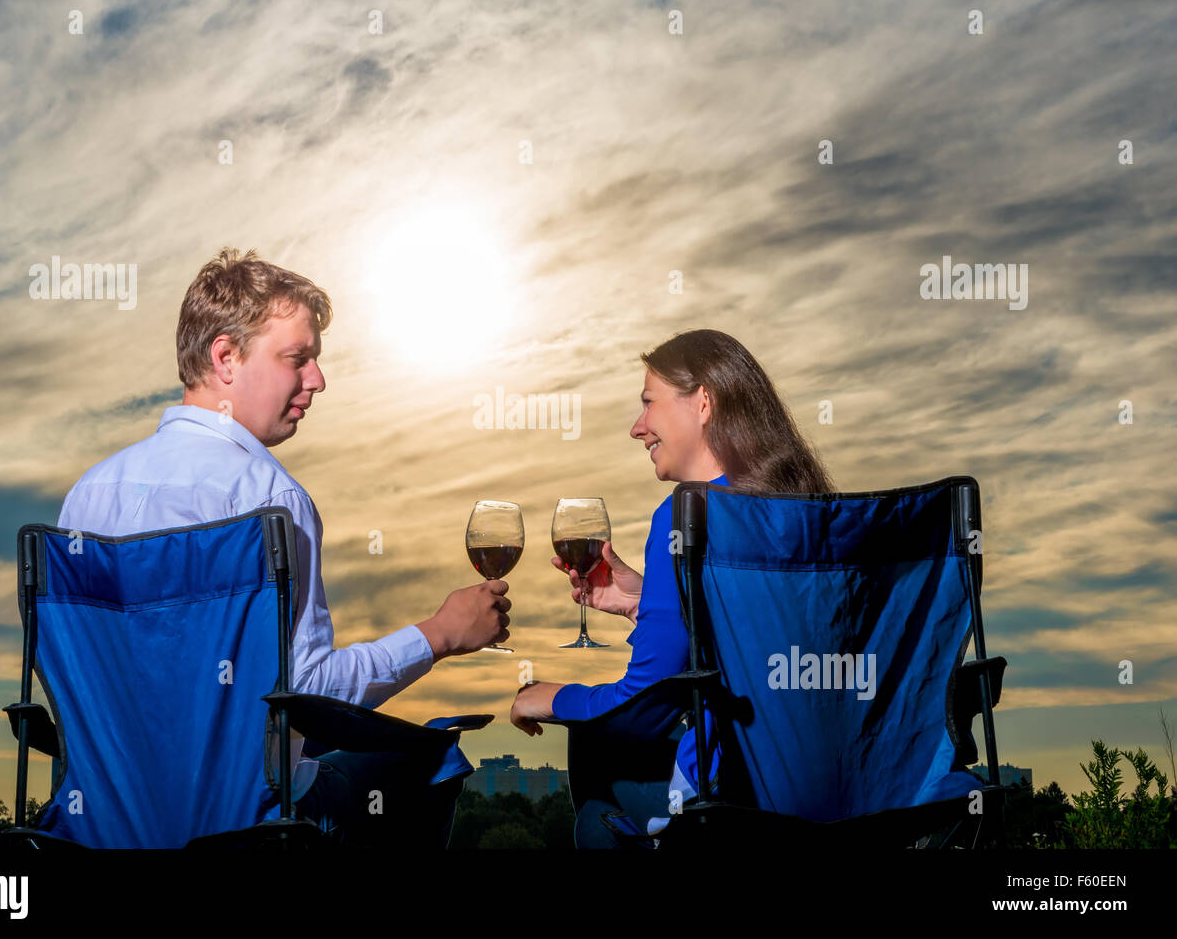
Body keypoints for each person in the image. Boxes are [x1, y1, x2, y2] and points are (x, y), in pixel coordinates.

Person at [58, 247, 511, 846]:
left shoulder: (86, 497)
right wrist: (440, 635)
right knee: (428, 760)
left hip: (102, 824)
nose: (318, 380)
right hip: (243, 823)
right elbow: (309, 691)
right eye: (298, 359)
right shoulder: (269, 499)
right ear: (226, 357)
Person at [509, 328, 834, 847]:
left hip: (736, 805)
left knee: (597, 794)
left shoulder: (687, 516)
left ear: (703, 401)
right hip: (847, 800)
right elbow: (760, 644)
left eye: (648, 403)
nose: (638, 428)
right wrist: (649, 601)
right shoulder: (815, 512)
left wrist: (546, 697)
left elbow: (645, 706)